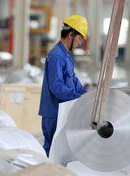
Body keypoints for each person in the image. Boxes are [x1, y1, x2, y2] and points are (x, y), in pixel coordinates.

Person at [38, 15, 88, 156]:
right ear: (71, 35)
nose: (79, 43)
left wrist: (86, 94)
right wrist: (77, 97)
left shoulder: (66, 56)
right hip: (54, 113)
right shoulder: (57, 56)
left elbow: (74, 80)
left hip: (62, 111)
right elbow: (57, 87)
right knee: (52, 151)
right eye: (79, 39)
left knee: (61, 152)